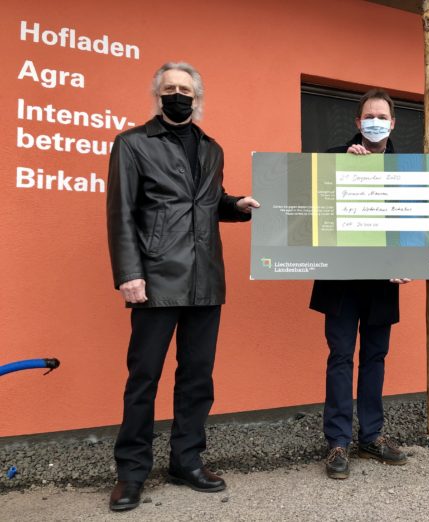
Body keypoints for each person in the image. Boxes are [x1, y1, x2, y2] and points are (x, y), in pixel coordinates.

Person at [106, 62, 259, 511]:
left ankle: (186, 461)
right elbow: (120, 212)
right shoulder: (132, 143)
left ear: (197, 97)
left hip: (206, 278)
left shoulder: (212, 149)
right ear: (158, 95)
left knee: (197, 378)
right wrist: (129, 274)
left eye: (185, 89)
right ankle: (131, 472)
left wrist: (236, 205)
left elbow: (207, 202)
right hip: (155, 278)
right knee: (144, 379)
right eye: (170, 88)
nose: (178, 94)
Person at [310, 89, 410, 479]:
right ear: (357, 122)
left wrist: (413, 261)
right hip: (341, 281)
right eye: (369, 116)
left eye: (382, 117)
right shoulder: (334, 158)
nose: (375, 122)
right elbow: (314, 212)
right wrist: (344, 170)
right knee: (340, 357)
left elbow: (415, 223)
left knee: (374, 358)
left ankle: (371, 436)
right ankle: (337, 442)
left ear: (393, 123)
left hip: (383, 282)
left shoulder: (406, 168)